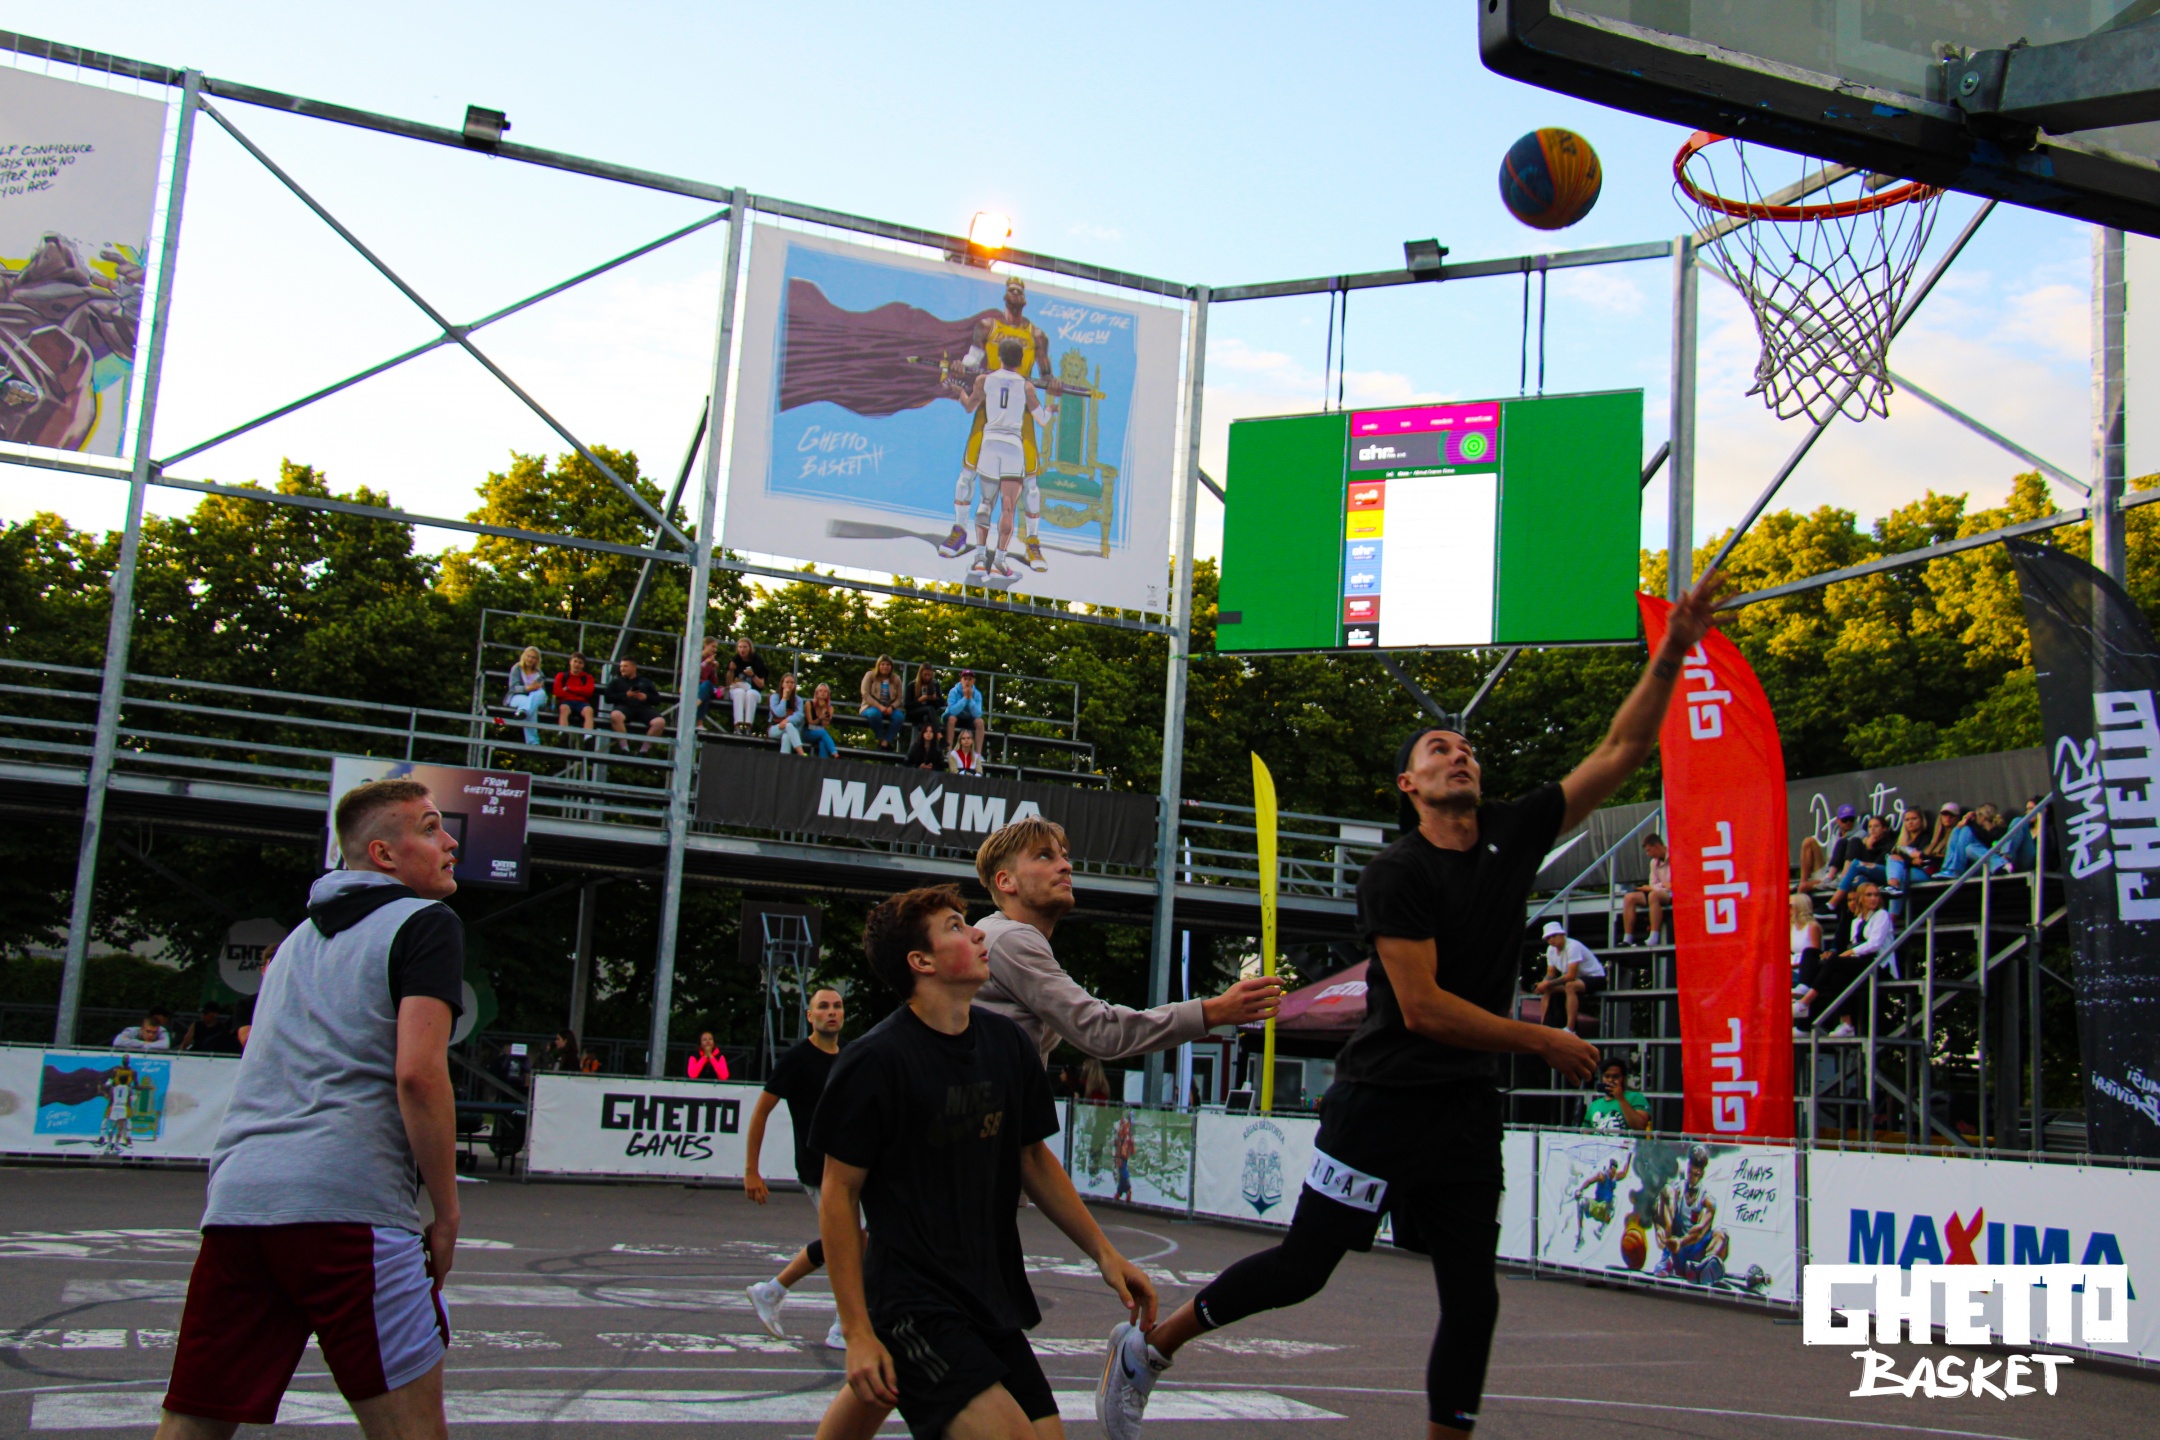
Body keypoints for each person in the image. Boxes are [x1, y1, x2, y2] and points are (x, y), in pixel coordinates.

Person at [1093, 569, 1723, 1440]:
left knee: (1472, 1298)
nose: (1458, 755)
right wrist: (1541, 1041)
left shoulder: (1512, 834)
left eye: (1466, 749)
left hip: (1462, 1109)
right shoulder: (1398, 873)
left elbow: (1620, 748)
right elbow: (1423, 1008)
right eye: (1437, 749)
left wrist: (1674, 650)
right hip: (1382, 1102)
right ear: (1408, 785)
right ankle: (1151, 1349)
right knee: (1303, 1268)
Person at [157, 778, 463, 1440]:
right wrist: (445, 1211)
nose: (450, 842)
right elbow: (418, 1075)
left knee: (193, 1424)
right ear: (384, 854)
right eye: (431, 827)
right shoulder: (424, 923)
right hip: (347, 1205)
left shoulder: (294, 943)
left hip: (240, 1202)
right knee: (411, 1431)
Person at [807, 885, 1154, 1440]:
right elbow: (838, 1193)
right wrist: (857, 1332)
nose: (975, 933)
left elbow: (1032, 1158)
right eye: (954, 926)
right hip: (912, 1301)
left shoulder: (1007, 1044)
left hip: (988, 1294)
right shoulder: (874, 1061)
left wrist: (1105, 1253)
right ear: (921, 962)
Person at [971, 816, 1282, 1072]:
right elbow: (1101, 1031)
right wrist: (1214, 1011)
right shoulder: (1010, 939)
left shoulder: (998, 936)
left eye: (1064, 856)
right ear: (1005, 881)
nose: (1066, 866)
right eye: (1044, 856)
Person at [745, 987, 848, 1353]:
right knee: (850, 1242)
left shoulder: (849, 1057)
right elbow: (761, 1112)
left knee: (853, 1240)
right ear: (810, 1015)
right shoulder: (797, 1059)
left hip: (850, 1166)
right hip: (817, 1168)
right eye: (823, 1006)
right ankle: (842, 1327)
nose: (831, 1012)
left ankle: (772, 1291)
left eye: (837, 1006)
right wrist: (751, 1170)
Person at [937, 277, 1060, 576]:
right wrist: (961, 365)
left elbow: (1046, 374)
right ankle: (959, 531)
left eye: (1019, 290)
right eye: (1010, 290)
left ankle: (1032, 542)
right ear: (1005, 297)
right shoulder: (987, 327)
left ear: (1024, 299)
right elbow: (973, 359)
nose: (1015, 293)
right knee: (968, 473)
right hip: (988, 413)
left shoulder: (1037, 335)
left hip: (1020, 419)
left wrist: (1053, 384)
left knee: (1030, 483)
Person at [1804, 880, 1896, 1039]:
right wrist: (1848, 954)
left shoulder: (1882, 915)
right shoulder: (1856, 921)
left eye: (1876, 895)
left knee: (1834, 961)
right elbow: (1855, 946)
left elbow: (1874, 944)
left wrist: (1847, 954)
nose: (1873, 898)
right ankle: (1846, 1024)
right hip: (1862, 963)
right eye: (1869, 895)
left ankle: (1806, 1000)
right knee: (1836, 976)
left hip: (1880, 965)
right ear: (1861, 898)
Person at [1653, 1143, 1731, 1284]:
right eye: (1690, 1172)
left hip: (1693, 1252)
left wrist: (1681, 1242)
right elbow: (1659, 1207)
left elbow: (1699, 1233)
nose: (1692, 1177)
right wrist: (1659, 1228)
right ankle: (1666, 1260)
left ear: (1701, 1174)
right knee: (1666, 1193)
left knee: (1721, 1235)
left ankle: (1703, 1268)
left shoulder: (1708, 1201)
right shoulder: (1676, 1189)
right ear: (1688, 1167)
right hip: (1676, 1250)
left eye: (1696, 1174)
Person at [1531, 919, 1605, 1035]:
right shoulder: (1550, 950)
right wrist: (1543, 984)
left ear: (1562, 935)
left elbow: (1571, 975)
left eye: (1554, 936)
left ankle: (1570, 1028)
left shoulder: (1572, 946)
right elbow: (1550, 974)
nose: (1551, 940)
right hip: (1577, 980)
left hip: (1595, 978)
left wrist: (1547, 983)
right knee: (1548, 989)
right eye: (1548, 938)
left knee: (1570, 986)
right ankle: (1544, 1024)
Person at [1828, 814, 1894, 906]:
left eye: (1876, 826)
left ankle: (1843, 879)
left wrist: (1869, 848)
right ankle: (1830, 877)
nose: (1872, 829)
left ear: (1884, 828)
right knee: (1843, 842)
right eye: (1870, 826)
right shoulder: (1866, 840)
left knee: (1855, 841)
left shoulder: (1889, 843)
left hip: (1882, 874)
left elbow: (1875, 865)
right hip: (1864, 874)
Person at [1619, 834, 1672, 945]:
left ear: (1657, 846)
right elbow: (1652, 883)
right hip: (1659, 890)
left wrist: (1657, 886)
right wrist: (1662, 885)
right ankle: (1627, 939)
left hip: (1673, 893)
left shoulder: (1675, 855)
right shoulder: (1653, 862)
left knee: (1653, 895)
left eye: (1649, 850)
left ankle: (1654, 937)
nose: (1648, 854)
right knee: (1629, 897)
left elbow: (1674, 884)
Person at [1569, 1152, 1630, 1248]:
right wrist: (1580, 1190)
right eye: (1611, 1171)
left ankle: (1600, 1229)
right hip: (1596, 1205)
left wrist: (1630, 1155)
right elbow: (1589, 1181)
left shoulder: (1615, 1178)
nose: (1612, 1174)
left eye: (1614, 1172)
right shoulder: (1602, 1176)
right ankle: (1580, 1236)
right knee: (1581, 1202)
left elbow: (1625, 1173)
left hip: (1605, 1209)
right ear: (1609, 1169)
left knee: (1615, 1200)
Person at [606, 658, 666, 753]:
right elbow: (608, 698)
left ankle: (643, 751)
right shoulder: (616, 681)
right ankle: (624, 748)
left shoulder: (645, 682)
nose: (622, 669)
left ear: (634, 667)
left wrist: (646, 697)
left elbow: (657, 700)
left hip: (643, 709)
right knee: (615, 715)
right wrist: (626, 695)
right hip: (624, 708)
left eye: (625, 666)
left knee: (660, 722)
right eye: (621, 666)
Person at [1584, 1056, 1649, 1134]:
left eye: (1615, 1077)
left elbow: (1640, 1126)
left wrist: (1620, 1098)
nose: (1611, 1080)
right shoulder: (1594, 1105)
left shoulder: (1636, 1098)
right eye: (1607, 1076)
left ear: (1623, 1078)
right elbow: (1585, 1134)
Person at [505, 645, 549, 746]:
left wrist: (536, 688)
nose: (530, 659)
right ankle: (533, 743)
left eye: (533, 657)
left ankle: (523, 711)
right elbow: (513, 688)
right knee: (530, 705)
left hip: (534, 697)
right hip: (517, 697)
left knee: (541, 693)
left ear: (537, 660)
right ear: (524, 656)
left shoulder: (539, 673)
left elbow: (541, 690)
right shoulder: (517, 668)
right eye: (528, 656)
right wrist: (528, 688)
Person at [1788, 892, 1823, 1019]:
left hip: (1805, 969)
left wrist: (1795, 965)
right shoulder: (1791, 927)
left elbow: (1814, 954)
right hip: (1793, 965)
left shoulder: (1812, 927)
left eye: (1790, 906)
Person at [860, 655, 905, 751]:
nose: (885, 667)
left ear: (891, 667)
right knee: (874, 714)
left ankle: (886, 742)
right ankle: (880, 739)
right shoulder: (870, 675)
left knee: (899, 717)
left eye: (888, 665)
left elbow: (899, 698)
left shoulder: (896, 679)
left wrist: (892, 707)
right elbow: (865, 694)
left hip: (890, 707)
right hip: (871, 706)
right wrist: (879, 706)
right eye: (883, 664)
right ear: (878, 665)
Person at [726, 637, 769, 735]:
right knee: (740, 692)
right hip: (737, 689)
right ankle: (737, 726)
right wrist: (731, 670)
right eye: (740, 647)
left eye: (745, 647)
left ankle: (748, 727)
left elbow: (761, 684)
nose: (742, 649)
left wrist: (752, 675)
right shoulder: (735, 660)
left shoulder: (757, 661)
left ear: (750, 648)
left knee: (750, 694)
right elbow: (728, 683)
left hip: (754, 691)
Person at [555, 651, 599, 736]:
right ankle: (563, 732)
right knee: (564, 708)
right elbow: (558, 692)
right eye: (575, 661)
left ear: (583, 665)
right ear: (570, 662)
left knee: (589, 710)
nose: (577, 664)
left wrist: (569, 689)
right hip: (566, 702)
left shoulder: (588, 678)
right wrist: (579, 692)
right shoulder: (561, 676)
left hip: (581, 703)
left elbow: (588, 692)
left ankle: (588, 734)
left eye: (580, 662)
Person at [945, 670, 988, 753]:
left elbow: (978, 714)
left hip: (969, 719)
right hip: (955, 718)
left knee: (980, 722)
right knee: (952, 719)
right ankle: (949, 750)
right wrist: (964, 698)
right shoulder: (953, 691)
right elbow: (953, 711)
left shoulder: (977, 694)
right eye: (965, 679)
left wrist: (970, 699)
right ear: (961, 680)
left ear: (973, 681)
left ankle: (978, 754)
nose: (967, 681)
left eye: (970, 679)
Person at [769, 672, 808, 755]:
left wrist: (787, 720)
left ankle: (784, 760)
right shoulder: (774, 697)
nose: (789, 684)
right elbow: (779, 713)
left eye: (792, 682)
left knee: (786, 735)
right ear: (782, 684)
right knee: (788, 726)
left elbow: (799, 715)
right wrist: (784, 698)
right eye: (787, 682)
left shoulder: (798, 700)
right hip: (775, 728)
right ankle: (801, 753)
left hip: (792, 730)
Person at [803, 682, 841, 759]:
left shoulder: (830, 708)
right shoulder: (809, 704)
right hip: (807, 731)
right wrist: (820, 718)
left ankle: (823, 763)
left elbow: (825, 725)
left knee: (823, 742)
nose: (823, 693)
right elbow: (810, 723)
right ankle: (835, 754)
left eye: (825, 691)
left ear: (828, 694)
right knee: (823, 732)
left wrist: (824, 708)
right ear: (816, 693)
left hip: (820, 732)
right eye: (820, 691)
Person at [905, 663, 943, 734]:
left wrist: (935, 699)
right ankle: (938, 733)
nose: (927, 677)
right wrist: (919, 700)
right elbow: (907, 705)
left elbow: (941, 703)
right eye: (925, 675)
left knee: (927, 716)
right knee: (929, 710)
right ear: (920, 674)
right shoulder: (912, 685)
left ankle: (927, 738)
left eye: (929, 675)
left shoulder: (935, 685)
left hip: (929, 713)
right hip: (914, 712)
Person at [1922, 802, 1961, 869]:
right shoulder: (1937, 836)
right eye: (1945, 814)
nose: (1948, 817)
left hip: (1945, 868)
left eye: (1952, 815)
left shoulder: (1959, 834)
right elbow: (1925, 854)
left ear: (1957, 818)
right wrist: (1935, 840)